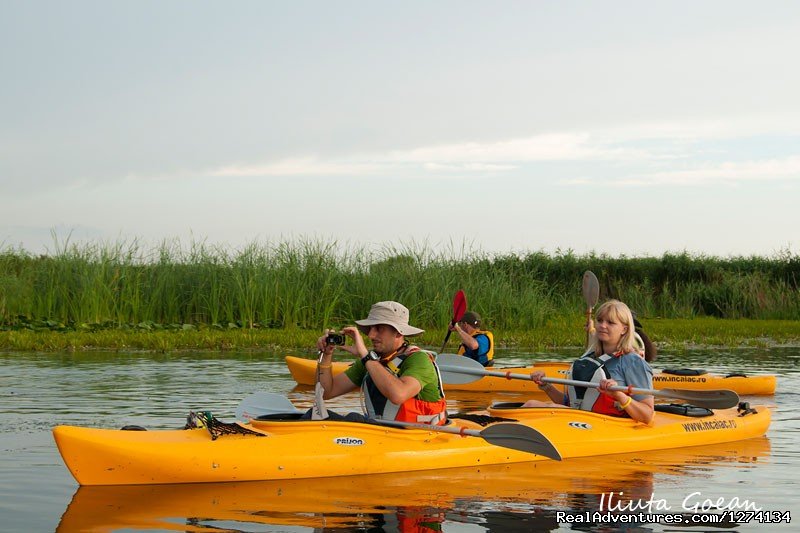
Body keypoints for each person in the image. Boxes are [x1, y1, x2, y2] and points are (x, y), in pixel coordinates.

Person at [523, 299, 654, 424]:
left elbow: (647, 415)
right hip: (582, 421)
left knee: (532, 405)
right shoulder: (590, 358)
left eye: (610, 322)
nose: (602, 326)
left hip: (609, 425)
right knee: (531, 405)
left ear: (624, 329)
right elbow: (573, 403)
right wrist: (546, 386)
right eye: (600, 320)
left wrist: (619, 395)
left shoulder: (633, 362)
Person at [315, 301, 447, 425]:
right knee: (315, 415)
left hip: (418, 437)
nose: (371, 335)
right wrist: (326, 355)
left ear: (398, 333)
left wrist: (365, 356)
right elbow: (326, 392)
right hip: (381, 434)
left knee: (353, 417)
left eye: (379, 328)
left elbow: (398, 395)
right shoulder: (371, 361)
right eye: (370, 328)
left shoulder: (419, 359)